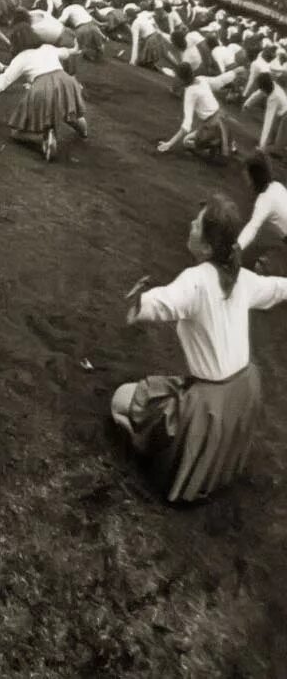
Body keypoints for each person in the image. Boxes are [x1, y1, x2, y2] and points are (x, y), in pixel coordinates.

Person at [115, 196, 283, 503]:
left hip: (207, 406)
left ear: (206, 248)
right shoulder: (243, 278)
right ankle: (205, 459)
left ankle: (159, 452)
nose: (191, 224)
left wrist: (138, 305)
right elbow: (278, 288)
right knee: (172, 395)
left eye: (197, 223)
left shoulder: (197, 280)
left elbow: (167, 301)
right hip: (243, 396)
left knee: (120, 401)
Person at [0, 25, 88, 162]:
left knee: (16, 134)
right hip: (65, 81)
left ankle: (44, 135)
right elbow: (66, 52)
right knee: (71, 113)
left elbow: (4, 79)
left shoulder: (21, 58)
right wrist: (75, 48)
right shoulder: (48, 48)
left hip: (41, 87)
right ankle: (84, 133)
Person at [157, 62, 240, 160]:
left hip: (212, 127)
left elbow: (186, 125)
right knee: (202, 130)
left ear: (181, 79)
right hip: (224, 119)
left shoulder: (190, 93)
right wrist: (234, 72)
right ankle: (229, 143)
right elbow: (219, 81)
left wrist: (170, 143)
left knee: (187, 142)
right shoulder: (201, 79)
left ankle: (214, 149)